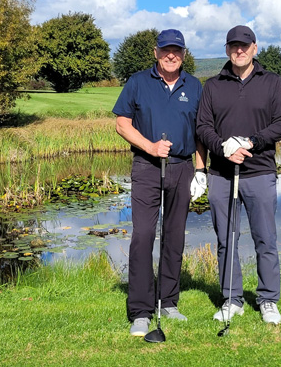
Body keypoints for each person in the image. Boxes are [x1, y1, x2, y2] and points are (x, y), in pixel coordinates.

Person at [112, 29, 207, 337]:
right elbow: (122, 123)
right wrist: (150, 147)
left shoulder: (194, 86)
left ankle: (168, 302)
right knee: (142, 236)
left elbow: (202, 132)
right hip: (147, 167)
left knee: (174, 235)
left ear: (183, 53)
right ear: (156, 52)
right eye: (166, 49)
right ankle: (140, 310)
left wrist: (201, 170)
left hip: (181, 169)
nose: (171, 55)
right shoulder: (138, 82)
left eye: (176, 51)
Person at [196, 25, 281, 325]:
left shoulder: (272, 82)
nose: (240, 50)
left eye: (245, 45)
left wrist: (251, 142)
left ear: (255, 48)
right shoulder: (212, 86)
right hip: (222, 174)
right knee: (226, 239)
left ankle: (268, 300)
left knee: (265, 238)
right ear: (227, 49)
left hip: (259, 171)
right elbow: (203, 127)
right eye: (234, 45)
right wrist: (223, 147)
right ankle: (232, 298)